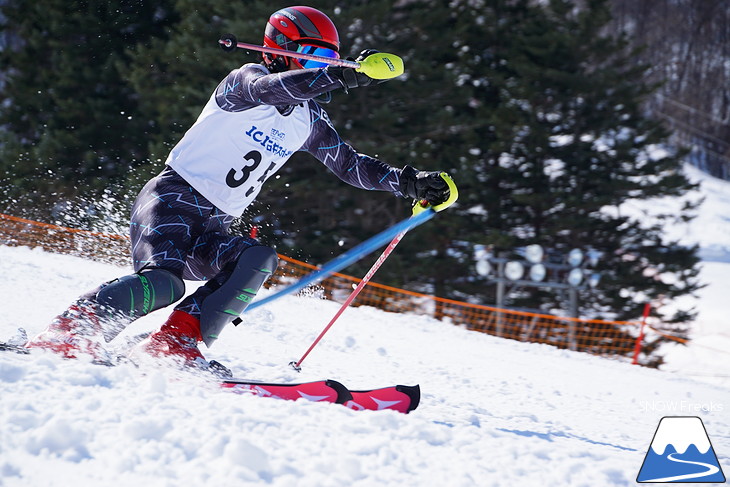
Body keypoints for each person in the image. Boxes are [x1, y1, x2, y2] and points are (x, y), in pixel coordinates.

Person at [25, 6, 454, 372]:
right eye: (310, 55)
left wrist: (411, 182)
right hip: (173, 200)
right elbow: (270, 88)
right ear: (278, 51)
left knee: (256, 259)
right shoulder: (243, 83)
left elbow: (350, 165)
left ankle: (174, 346)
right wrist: (339, 76)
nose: (319, 65)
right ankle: (71, 331)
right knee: (164, 283)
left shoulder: (308, 120)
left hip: (216, 223)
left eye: (327, 58)